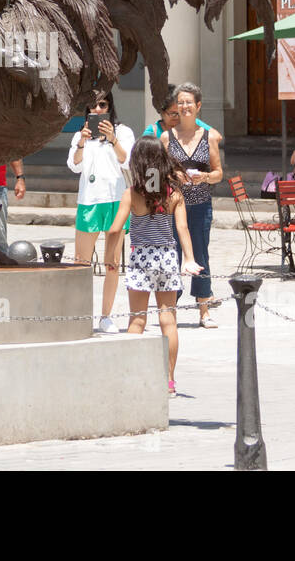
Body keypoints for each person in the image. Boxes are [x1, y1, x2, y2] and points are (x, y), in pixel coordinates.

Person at [105, 136, 202, 395]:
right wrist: (189, 259)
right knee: (168, 320)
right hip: (167, 257)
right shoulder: (174, 194)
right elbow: (182, 228)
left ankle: (130, 376)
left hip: (140, 259)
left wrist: (109, 257)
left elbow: (115, 230)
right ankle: (168, 380)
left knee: (137, 319)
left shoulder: (132, 194)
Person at [69, 90, 136, 333]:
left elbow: (127, 160)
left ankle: (106, 316)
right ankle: (80, 313)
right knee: (81, 262)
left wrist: (113, 139)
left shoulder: (124, 132)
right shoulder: (80, 134)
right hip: (89, 201)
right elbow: (73, 165)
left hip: (115, 201)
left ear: (110, 107)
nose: (97, 110)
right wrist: (82, 143)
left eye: (102, 105)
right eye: (93, 106)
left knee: (112, 263)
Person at [160, 82, 223, 328]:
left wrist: (205, 177)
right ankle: (170, 308)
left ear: (198, 106)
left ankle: (204, 310)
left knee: (200, 253)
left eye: (189, 102)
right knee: (171, 254)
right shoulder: (167, 137)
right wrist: (171, 177)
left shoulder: (209, 137)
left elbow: (219, 173)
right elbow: (158, 171)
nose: (185, 106)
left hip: (199, 204)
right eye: (181, 102)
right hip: (173, 205)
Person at [143, 84, 212, 139]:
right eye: (173, 114)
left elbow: (215, 136)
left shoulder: (195, 124)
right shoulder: (152, 133)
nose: (178, 117)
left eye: (181, 112)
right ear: (161, 111)